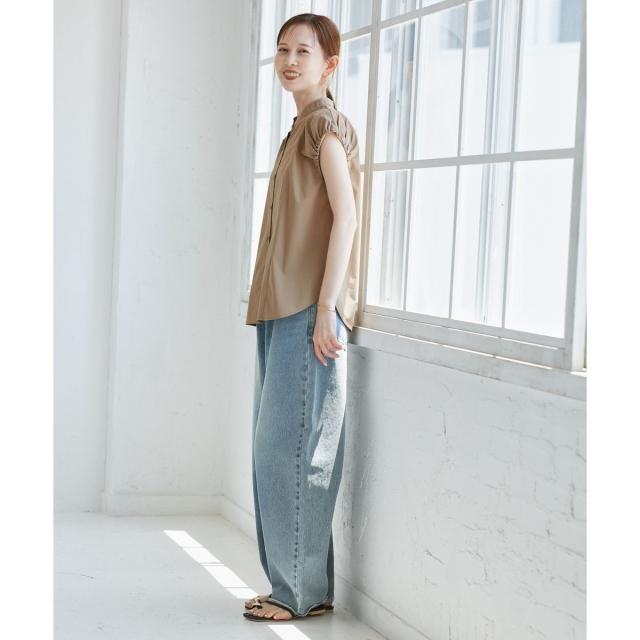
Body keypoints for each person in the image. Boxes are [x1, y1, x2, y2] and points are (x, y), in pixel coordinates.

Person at [243, 12, 361, 623]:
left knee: (293, 451)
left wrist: (325, 310)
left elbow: (347, 216)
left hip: (307, 312)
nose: (289, 61)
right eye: (282, 49)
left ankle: (298, 593)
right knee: (276, 451)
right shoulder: (300, 128)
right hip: (279, 309)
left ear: (330, 64)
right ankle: (300, 586)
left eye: (304, 51)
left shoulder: (323, 126)